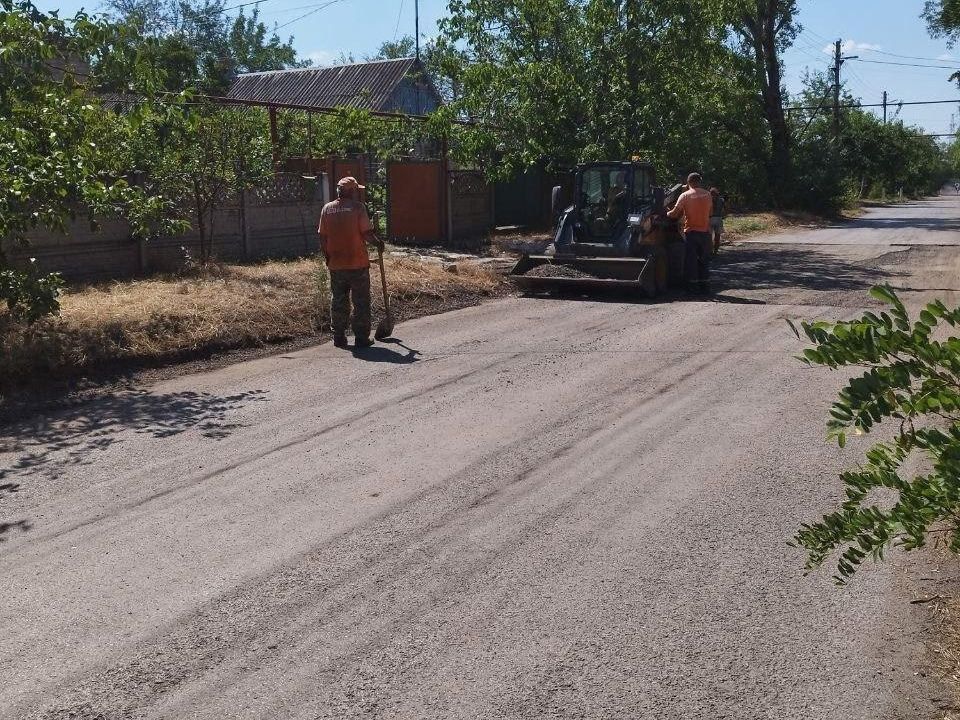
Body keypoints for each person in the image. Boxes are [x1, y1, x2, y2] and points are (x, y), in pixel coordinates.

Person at [317, 176, 384, 349]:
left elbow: (322, 237)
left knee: (338, 300)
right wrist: (379, 243)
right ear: (351, 191)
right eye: (355, 190)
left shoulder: (327, 209)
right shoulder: (358, 209)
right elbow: (367, 235)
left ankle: (339, 336)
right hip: (357, 264)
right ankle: (361, 337)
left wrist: (328, 257)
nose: (356, 193)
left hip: (336, 264)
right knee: (360, 301)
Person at [667, 173, 714, 294]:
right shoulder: (708, 195)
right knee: (704, 260)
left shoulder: (685, 195)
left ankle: (693, 287)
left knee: (691, 260)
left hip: (691, 232)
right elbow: (710, 212)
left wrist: (665, 212)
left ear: (688, 183)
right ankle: (705, 286)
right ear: (699, 182)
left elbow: (674, 213)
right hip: (705, 232)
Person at [709, 187, 726, 254]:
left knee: (709, 237)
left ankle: (710, 251)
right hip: (718, 218)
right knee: (717, 236)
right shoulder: (721, 200)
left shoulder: (708, 199)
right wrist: (724, 215)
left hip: (710, 218)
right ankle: (716, 251)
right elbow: (725, 208)